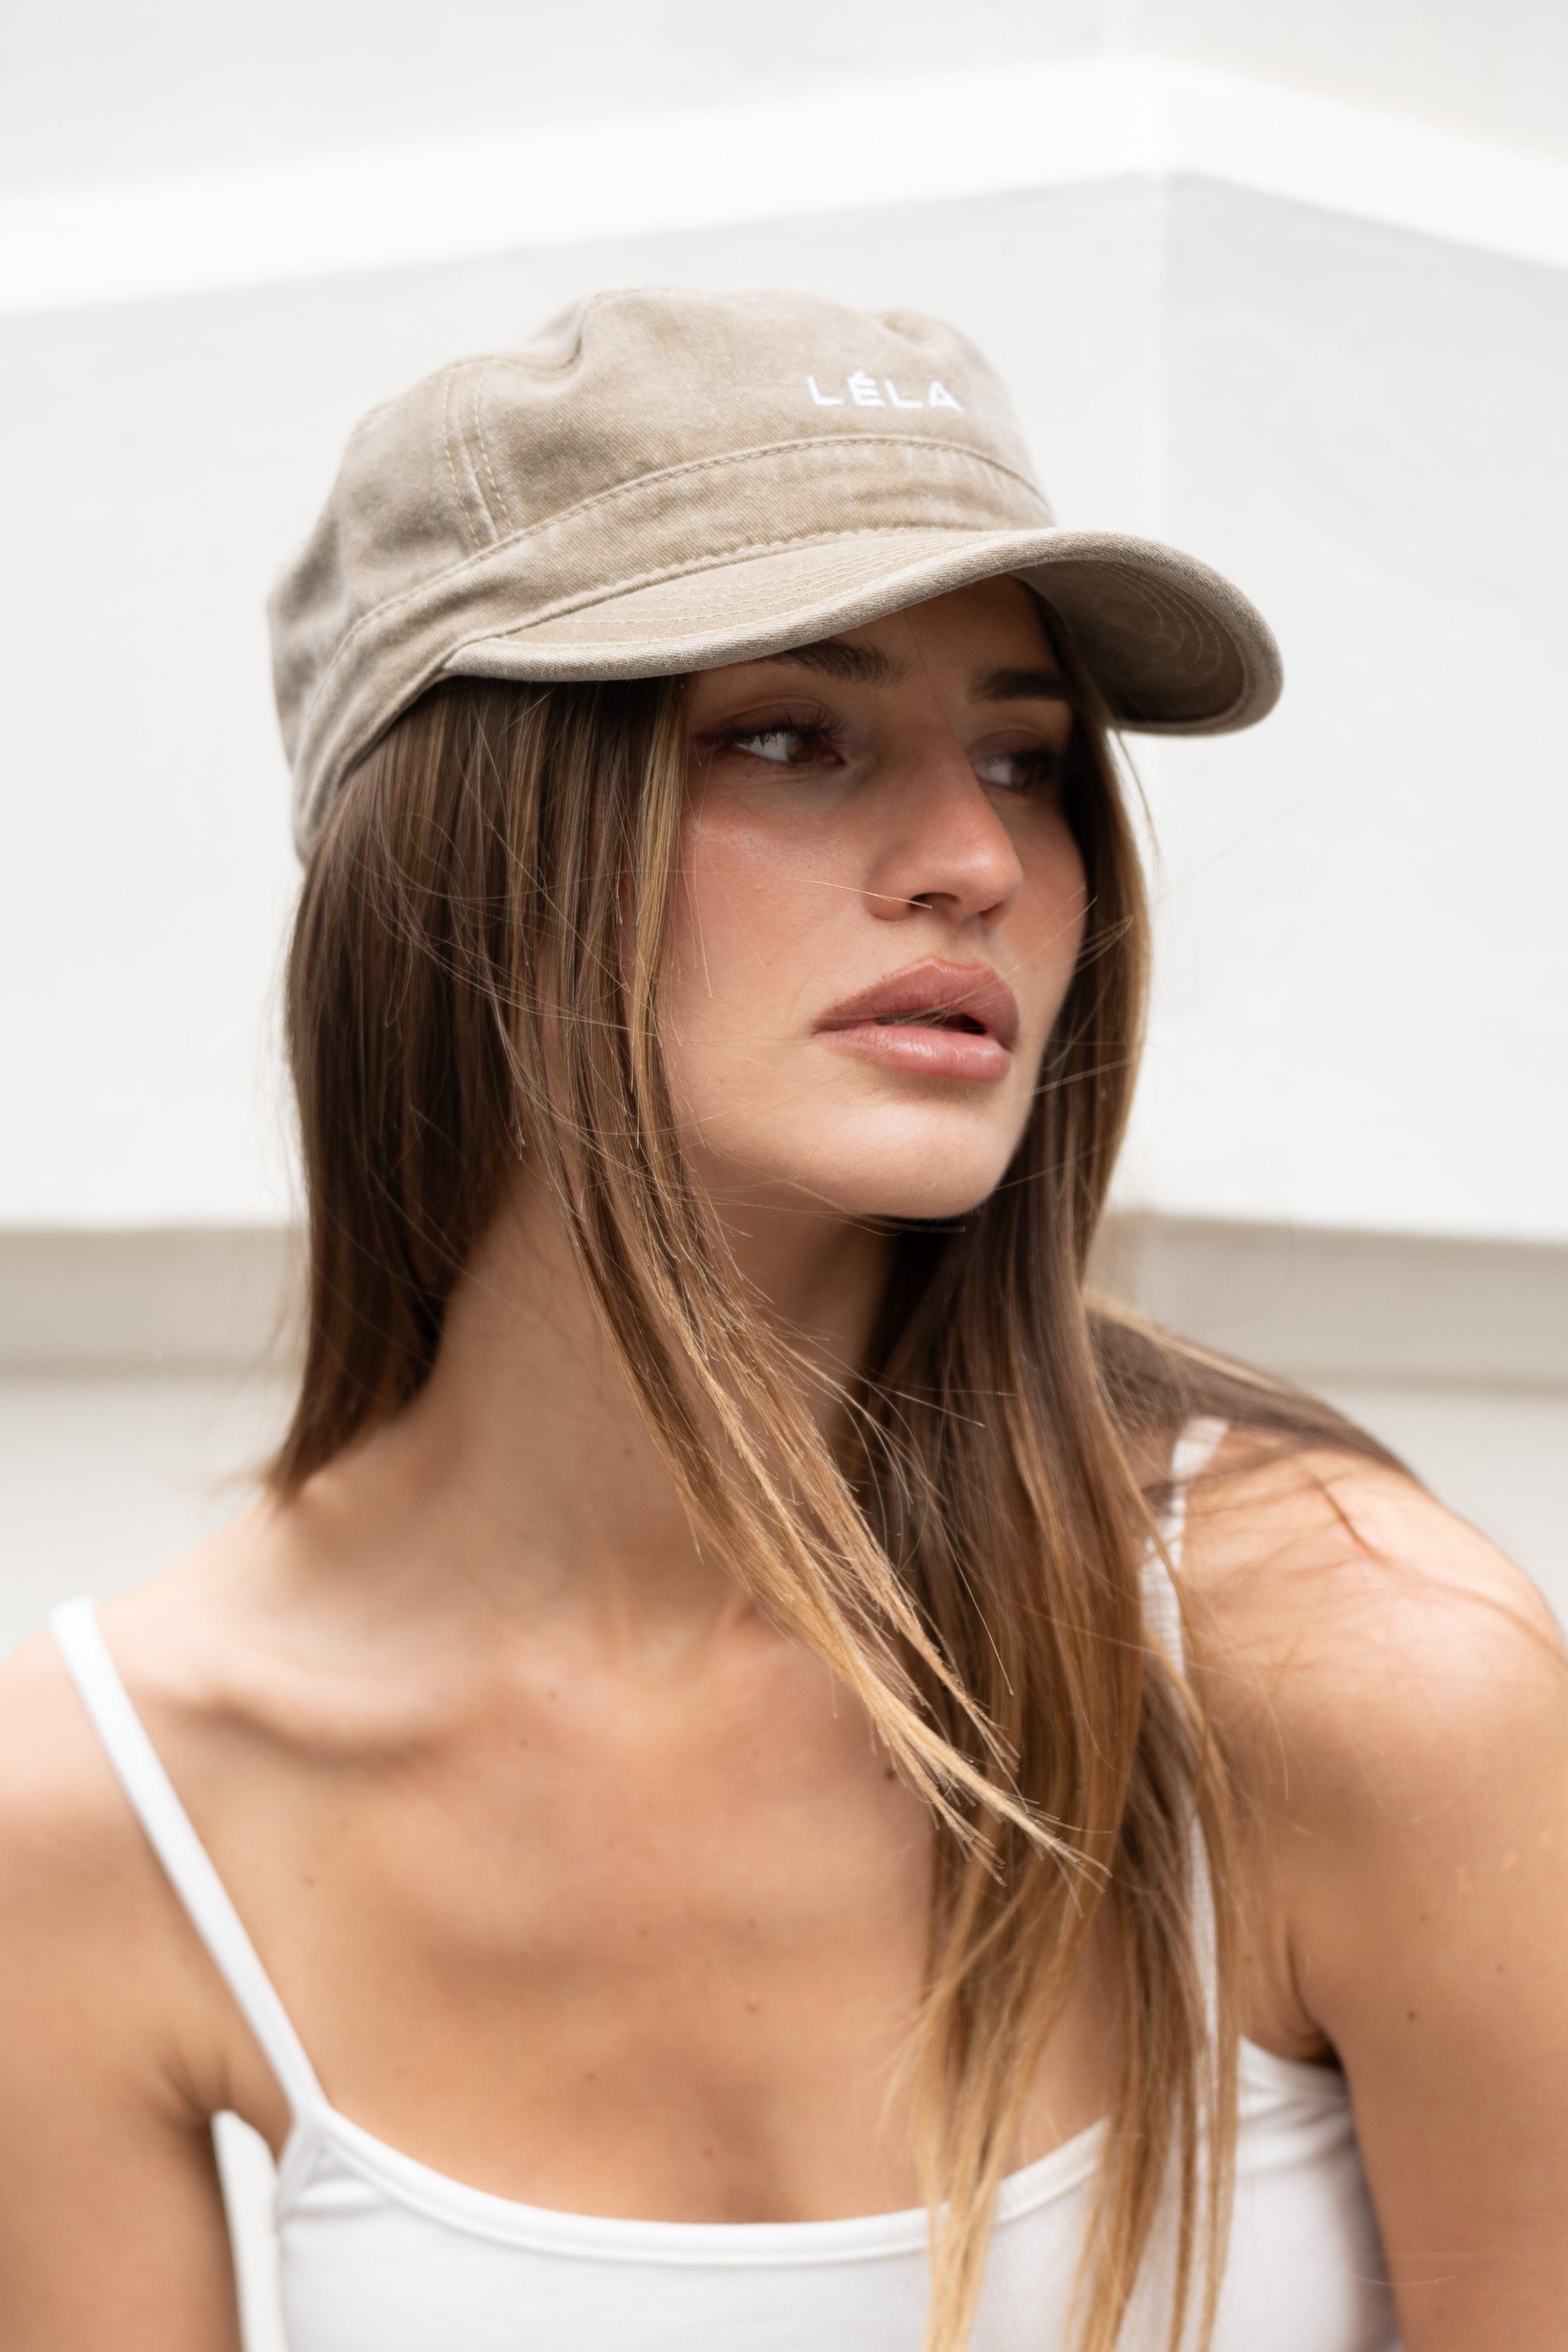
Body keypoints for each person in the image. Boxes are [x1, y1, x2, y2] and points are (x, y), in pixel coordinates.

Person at [0, 288, 1562, 2352]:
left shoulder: (1349, 1677)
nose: (974, 859)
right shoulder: (106, 1809)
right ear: (456, 848)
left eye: (1027, 757)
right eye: (784, 733)